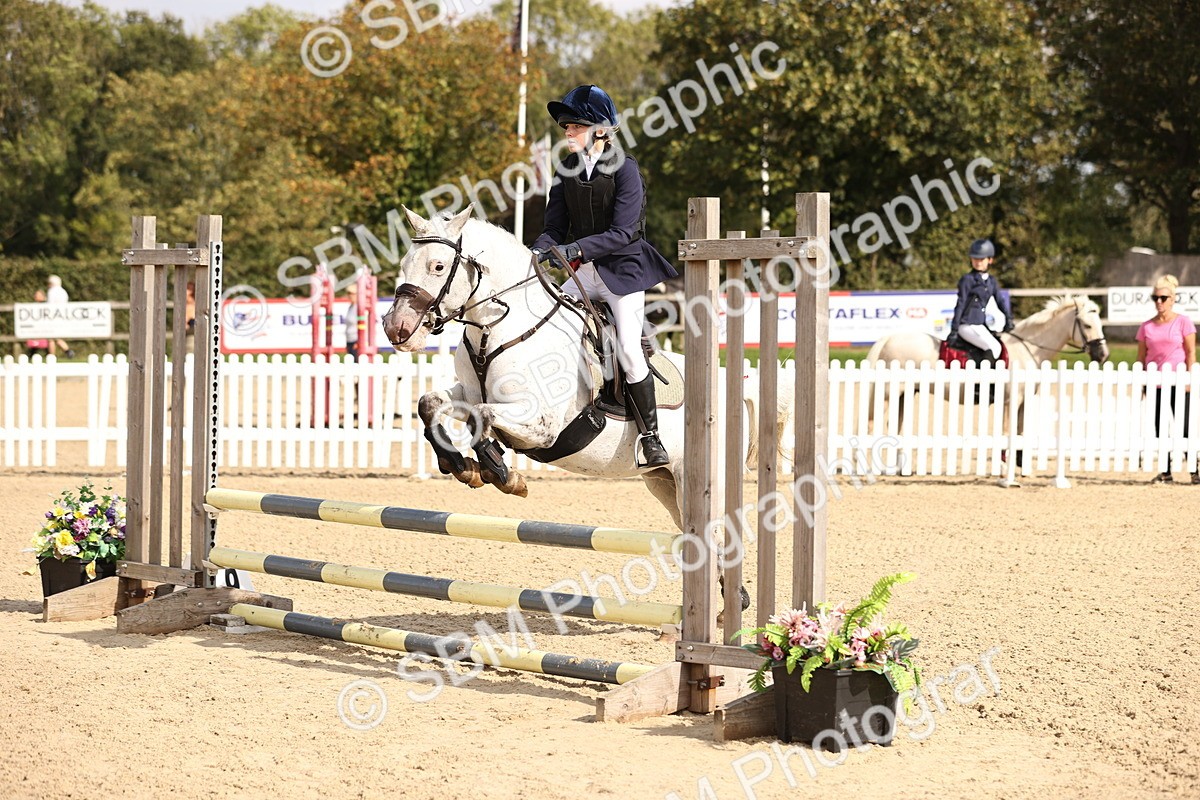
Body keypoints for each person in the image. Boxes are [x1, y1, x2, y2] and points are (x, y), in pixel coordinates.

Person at [530, 84, 678, 468]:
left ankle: (650, 437)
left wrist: (574, 251)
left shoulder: (626, 169)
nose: (567, 134)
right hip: (583, 273)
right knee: (541, 318)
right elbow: (554, 226)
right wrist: (537, 250)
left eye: (574, 127)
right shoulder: (566, 170)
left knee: (628, 348)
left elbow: (624, 232)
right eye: (566, 127)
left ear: (600, 129)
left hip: (622, 271)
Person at [1137, 274, 1197, 484]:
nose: (1159, 302)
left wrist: (1190, 379)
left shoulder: (1184, 323)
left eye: (1163, 298)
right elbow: (1141, 357)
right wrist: (1142, 383)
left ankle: (1194, 469)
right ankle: (1165, 471)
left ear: (1172, 299)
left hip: (1180, 383)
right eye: (1156, 298)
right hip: (1156, 385)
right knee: (1159, 427)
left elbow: (1190, 353)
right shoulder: (1146, 327)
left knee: (1185, 427)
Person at [949, 238, 1013, 362]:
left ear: (990, 260)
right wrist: (954, 329)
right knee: (994, 347)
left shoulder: (991, 281)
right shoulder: (967, 279)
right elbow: (961, 304)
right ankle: (981, 381)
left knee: (996, 344)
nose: (978, 262)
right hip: (966, 325)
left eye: (981, 259)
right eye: (975, 259)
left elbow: (1000, 301)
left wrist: (1008, 319)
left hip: (980, 324)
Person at [45, 275, 75, 358]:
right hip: (62, 317)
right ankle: (68, 351)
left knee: (51, 338)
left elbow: (49, 305)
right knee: (58, 337)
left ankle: (51, 357)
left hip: (53, 317)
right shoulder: (63, 291)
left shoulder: (52, 291)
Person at [24, 290, 50, 357]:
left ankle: (50, 356)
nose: (36, 296)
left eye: (38, 295)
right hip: (36, 327)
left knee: (47, 342)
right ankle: (30, 356)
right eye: (36, 295)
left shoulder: (47, 306)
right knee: (33, 344)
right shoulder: (33, 306)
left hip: (45, 327)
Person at [345, 282, 359, 359]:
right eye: (349, 293)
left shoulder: (359, 308)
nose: (350, 296)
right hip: (349, 339)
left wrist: (359, 341)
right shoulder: (350, 307)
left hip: (356, 340)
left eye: (352, 293)